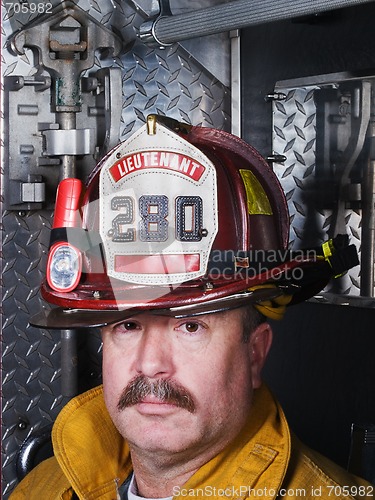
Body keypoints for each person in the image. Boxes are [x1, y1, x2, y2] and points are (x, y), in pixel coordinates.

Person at [10, 116, 373, 499]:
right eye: (128, 326)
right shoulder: (44, 489)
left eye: (190, 326)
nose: (150, 364)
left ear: (255, 354)